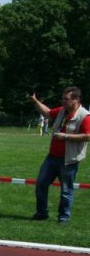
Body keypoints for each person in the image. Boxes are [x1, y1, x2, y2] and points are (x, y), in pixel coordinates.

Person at [30, 87, 90, 224]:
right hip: (52, 157)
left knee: (66, 190)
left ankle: (63, 217)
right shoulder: (62, 111)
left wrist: (66, 136)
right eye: (62, 98)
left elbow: (88, 136)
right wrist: (35, 101)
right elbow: (47, 112)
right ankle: (41, 213)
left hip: (69, 160)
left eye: (66, 99)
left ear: (76, 99)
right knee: (41, 184)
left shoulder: (85, 116)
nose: (63, 101)